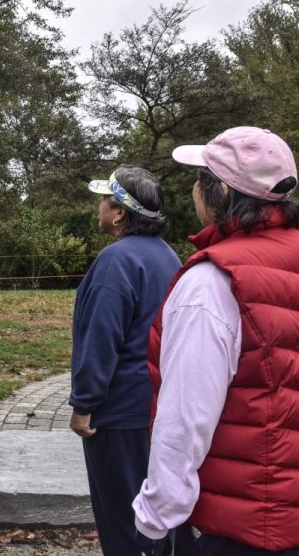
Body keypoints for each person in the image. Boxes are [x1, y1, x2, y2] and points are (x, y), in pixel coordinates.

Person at [133, 127, 299, 556]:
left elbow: (186, 416)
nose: (192, 190)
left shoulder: (212, 282)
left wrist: (155, 518)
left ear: (221, 191)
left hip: (238, 526)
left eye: (199, 179)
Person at [70, 166, 181, 556]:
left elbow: (101, 339)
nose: (99, 207)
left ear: (119, 212)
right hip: (157, 407)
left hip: (116, 413)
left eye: (105, 200)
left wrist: (84, 404)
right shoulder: (170, 257)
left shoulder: (115, 261)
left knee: (121, 517)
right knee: (154, 514)